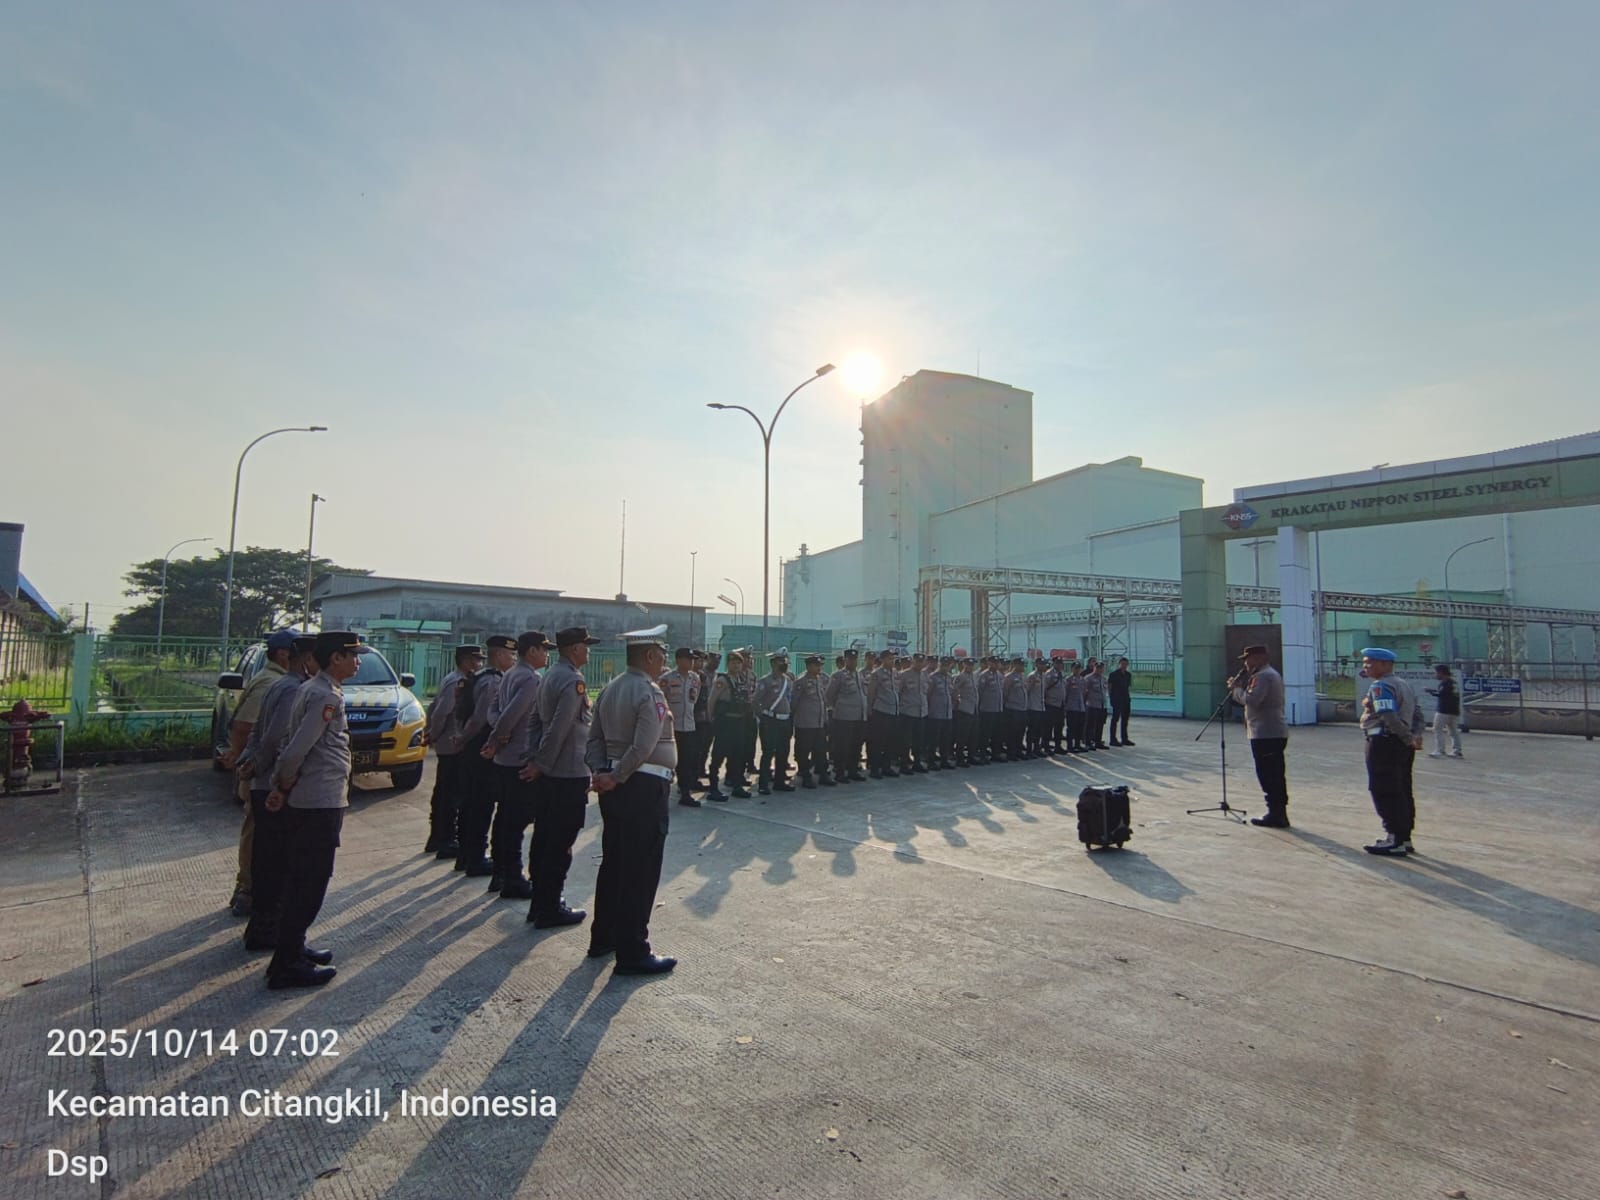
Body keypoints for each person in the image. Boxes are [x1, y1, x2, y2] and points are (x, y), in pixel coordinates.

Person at [263, 630, 369, 989]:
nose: (358, 662)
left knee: (302, 879)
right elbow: (296, 748)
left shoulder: (315, 688)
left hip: (313, 797)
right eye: (353, 655)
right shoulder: (324, 695)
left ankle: (293, 947)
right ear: (335, 658)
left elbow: (291, 742)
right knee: (309, 882)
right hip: (317, 800)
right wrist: (282, 782)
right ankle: (287, 963)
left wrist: (281, 785)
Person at [585, 624, 678, 975]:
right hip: (642, 788)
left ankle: (604, 937)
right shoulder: (648, 692)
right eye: (662, 655)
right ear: (650, 655)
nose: (664, 661)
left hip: (615, 786)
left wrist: (602, 771)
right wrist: (618, 775)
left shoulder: (610, 689)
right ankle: (633, 951)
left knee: (615, 863)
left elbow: (594, 739)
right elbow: (643, 745)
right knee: (640, 869)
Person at [237, 634, 317, 953]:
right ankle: (268, 930)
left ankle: (261, 927)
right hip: (273, 785)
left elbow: (257, 732)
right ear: (307, 660)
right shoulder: (295, 689)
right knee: (277, 863)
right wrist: (257, 763)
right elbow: (274, 737)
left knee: (266, 859)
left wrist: (249, 760)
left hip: (262, 780)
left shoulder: (278, 684)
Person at [520, 626, 599, 928]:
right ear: (575, 649)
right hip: (566, 773)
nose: (588, 651)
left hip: (551, 771)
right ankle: (550, 907)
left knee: (544, 839)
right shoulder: (572, 680)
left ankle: (540, 903)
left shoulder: (550, 675)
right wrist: (541, 762)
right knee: (559, 843)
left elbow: (534, 722)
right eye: (586, 646)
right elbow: (560, 727)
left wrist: (534, 757)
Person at [223, 628, 296, 918]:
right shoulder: (272, 683)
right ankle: (248, 890)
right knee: (257, 834)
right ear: (283, 654)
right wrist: (245, 763)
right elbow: (245, 727)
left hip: (262, 772)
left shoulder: (275, 680)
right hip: (263, 775)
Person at [483, 631, 554, 898]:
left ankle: (500, 873)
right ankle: (512, 877)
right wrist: (498, 736)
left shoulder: (511, 674)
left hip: (505, 758)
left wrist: (499, 734)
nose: (547, 655)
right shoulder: (531, 679)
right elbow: (511, 714)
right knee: (516, 821)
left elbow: (494, 711)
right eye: (544, 650)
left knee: (504, 818)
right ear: (532, 651)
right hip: (519, 758)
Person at [453, 634, 514, 876]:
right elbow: (480, 718)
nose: (513, 659)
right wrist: (464, 738)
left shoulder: (478, 677)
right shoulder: (493, 681)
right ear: (498, 655)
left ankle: (465, 855)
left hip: (473, 746)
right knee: (481, 804)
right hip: (481, 747)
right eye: (510, 654)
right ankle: (476, 857)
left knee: (471, 802)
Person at [1358, 647, 1426, 856]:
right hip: (1401, 744)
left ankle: (1393, 838)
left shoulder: (1381, 686)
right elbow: (1418, 715)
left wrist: (1406, 737)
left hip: (1384, 742)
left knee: (1384, 789)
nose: (1365, 666)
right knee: (1402, 789)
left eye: (1370, 662)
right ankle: (1404, 836)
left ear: (1385, 664)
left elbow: (1388, 714)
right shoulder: (1404, 684)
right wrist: (1414, 736)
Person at [422, 644, 483, 859]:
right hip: (451, 744)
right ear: (466, 661)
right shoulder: (457, 682)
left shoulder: (454, 678)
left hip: (448, 743)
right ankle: (445, 839)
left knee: (444, 792)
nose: (479, 664)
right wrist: (434, 734)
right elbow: (440, 712)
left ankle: (437, 837)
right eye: (477, 660)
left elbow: (433, 708)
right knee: (450, 795)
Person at [1231, 645, 1290, 828]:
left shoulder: (1263, 676)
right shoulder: (1268, 674)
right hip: (1269, 731)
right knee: (1273, 773)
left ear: (1258, 658)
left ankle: (1276, 813)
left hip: (1266, 733)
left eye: (1247, 659)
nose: (1246, 664)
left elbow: (1252, 700)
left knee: (1269, 774)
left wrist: (1236, 690)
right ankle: (1278, 812)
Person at [708, 649, 757, 799]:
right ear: (728, 664)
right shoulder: (722, 680)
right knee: (718, 756)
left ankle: (737, 786)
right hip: (725, 723)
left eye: (738, 663)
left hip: (739, 722)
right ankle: (713, 788)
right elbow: (712, 701)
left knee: (737, 755)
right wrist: (711, 719)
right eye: (733, 663)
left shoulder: (741, 680)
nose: (736, 666)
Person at [660, 647, 704, 806]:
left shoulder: (695, 678)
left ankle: (685, 792)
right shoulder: (667, 679)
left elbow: (694, 699)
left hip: (689, 726)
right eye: (688, 659)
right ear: (679, 660)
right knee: (670, 761)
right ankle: (663, 792)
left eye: (693, 659)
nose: (691, 662)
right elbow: (661, 701)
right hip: (672, 727)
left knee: (687, 761)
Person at [752, 649, 796, 793]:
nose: (783, 664)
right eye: (780, 661)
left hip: (785, 721)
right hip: (771, 720)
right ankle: (763, 784)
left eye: (784, 661)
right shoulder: (765, 681)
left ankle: (779, 782)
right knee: (768, 753)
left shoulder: (788, 681)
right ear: (773, 663)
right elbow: (755, 701)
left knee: (783, 752)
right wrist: (763, 718)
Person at [825, 647, 868, 782]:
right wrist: (839, 708)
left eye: (855, 659)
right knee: (842, 746)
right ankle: (840, 772)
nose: (853, 662)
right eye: (850, 659)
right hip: (844, 717)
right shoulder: (838, 675)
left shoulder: (859, 675)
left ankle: (852, 770)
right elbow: (829, 696)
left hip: (859, 717)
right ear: (845, 660)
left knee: (856, 745)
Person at [792, 654, 833, 787]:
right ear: (809, 666)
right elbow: (794, 702)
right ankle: (805, 776)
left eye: (820, 665)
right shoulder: (801, 681)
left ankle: (823, 775)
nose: (819, 668)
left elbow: (823, 701)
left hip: (819, 723)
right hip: (805, 723)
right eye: (816, 665)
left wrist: (825, 719)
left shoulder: (820, 680)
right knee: (804, 751)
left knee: (821, 750)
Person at [866, 649, 900, 778]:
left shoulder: (895, 673)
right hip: (881, 711)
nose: (892, 661)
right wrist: (870, 711)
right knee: (878, 742)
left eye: (893, 659)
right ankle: (875, 769)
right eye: (890, 658)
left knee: (890, 741)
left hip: (893, 711)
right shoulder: (876, 674)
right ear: (883, 660)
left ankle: (886, 766)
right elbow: (871, 693)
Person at [896, 653, 928, 773]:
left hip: (921, 713)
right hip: (907, 712)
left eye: (921, 662)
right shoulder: (904, 675)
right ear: (913, 662)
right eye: (917, 661)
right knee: (906, 741)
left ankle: (917, 763)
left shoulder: (925, 675)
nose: (919, 664)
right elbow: (898, 692)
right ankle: (904, 764)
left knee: (918, 740)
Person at [1427, 664, 1463, 758]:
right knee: (1453, 731)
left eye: (1437, 673)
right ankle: (1457, 751)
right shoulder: (1453, 683)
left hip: (1443, 710)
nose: (1436, 675)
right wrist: (1433, 691)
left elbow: (1441, 694)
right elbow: (1446, 693)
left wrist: (1430, 692)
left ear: (1441, 673)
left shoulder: (1445, 683)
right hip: (1454, 710)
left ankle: (1440, 750)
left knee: (1437, 729)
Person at [926, 656, 955, 769]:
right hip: (935, 713)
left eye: (947, 665)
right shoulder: (932, 677)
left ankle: (944, 760)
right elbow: (928, 694)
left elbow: (951, 693)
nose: (945, 668)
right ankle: (931, 761)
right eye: (943, 665)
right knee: (933, 739)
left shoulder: (949, 677)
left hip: (947, 713)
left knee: (945, 739)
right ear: (939, 665)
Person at [977, 657, 1004, 763]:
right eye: (994, 663)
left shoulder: (999, 675)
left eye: (997, 663)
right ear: (989, 663)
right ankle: (982, 754)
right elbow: (980, 692)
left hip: (998, 709)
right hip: (987, 709)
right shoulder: (984, 675)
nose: (996, 665)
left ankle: (995, 753)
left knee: (997, 733)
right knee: (985, 733)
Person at [952, 657, 978, 766]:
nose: (971, 667)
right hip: (964, 709)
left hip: (973, 709)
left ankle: (971, 756)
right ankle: (960, 758)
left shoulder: (974, 676)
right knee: (962, 736)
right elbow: (954, 690)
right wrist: (958, 702)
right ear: (964, 665)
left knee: (973, 735)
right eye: (969, 665)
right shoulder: (960, 677)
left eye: (972, 665)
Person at [1002, 657, 1029, 760]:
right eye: (1020, 665)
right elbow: (1005, 693)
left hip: (1022, 708)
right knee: (1012, 732)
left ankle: (1018, 751)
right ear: (1015, 665)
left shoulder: (1023, 676)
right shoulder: (1009, 677)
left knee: (1021, 732)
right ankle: (1011, 752)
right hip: (1012, 708)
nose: (1022, 667)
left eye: (1023, 665)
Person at [1107, 657, 1134, 746]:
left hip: (1125, 699)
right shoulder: (1113, 674)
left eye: (1125, 664)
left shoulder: (1128, 675)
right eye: (1122, 664)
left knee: (1125, 719)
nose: (1124, 666)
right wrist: (1111, 698)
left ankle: (1124, 738)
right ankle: (1113, 739)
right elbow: (1109, 687)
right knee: (1115, 719)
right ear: (1119, 664)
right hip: (1116, 699)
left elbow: (1127, 687)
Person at [1083, 660, 1108, 750]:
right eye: (1097, 668)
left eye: (1101, 668)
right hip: (1092, 704)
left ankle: (1098, 741)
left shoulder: (1104, 678)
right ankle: (1088, 742)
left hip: (1102, 705)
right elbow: (1084, 691)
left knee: (1100, 724)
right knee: (1090, 725)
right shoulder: (1088, 678)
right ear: (1094, 668)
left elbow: (1105, 691)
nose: (1099, 670)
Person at [1043, 658, 1066, 754]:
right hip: (1051, 704)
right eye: (1058, 663)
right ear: (1054, 663)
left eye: (1061, 663)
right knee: (1048, 727)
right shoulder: (1049, 674)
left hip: (1060, 704)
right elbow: (1044, 688)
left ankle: (1058, 746)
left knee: (1059, 726)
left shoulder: (1062, 674)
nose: (1060, 665)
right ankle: (1046, 746)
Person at [1025, 658, 1047, 756]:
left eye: (1044, 664)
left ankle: (1037, 749)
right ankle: (1029, 750)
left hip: (1041, 706)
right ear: (1037, 664)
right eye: (1041, 664)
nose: (1043, 666)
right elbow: (1027, 690)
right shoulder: (1032, 676)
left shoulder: (1044, 676)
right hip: (1033, 707)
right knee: (1032, 730)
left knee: (1039, 730)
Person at [1063, 662, 1087, 753]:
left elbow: (1084, 693)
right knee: (1071, 728)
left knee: (1079, 727)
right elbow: (1065, 693)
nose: (1077, 670)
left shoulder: (1083, 680)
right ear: (1072, 669)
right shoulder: (1068, 679)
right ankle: (1070, 746)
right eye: (1075, 668)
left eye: (1079, 668)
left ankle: (1077, 745)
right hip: (1071, 707)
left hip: (1081, 707)